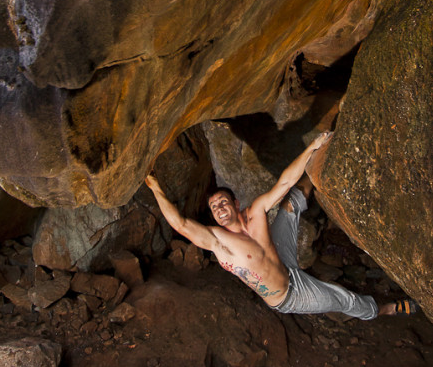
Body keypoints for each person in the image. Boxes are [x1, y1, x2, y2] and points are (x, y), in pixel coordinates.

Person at [145, 132, 417, 319]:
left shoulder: (255, 213)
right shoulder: (218, 240)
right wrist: (156, 188)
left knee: (290, 204)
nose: (219, 209)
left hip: (282, 257)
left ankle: (320, 168)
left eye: (223, 202)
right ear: (214, 218)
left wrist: (312, 148)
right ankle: (385, 310)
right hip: (290, 294)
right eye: (214, 208)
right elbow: (180, 223)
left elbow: (284, 183)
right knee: (344, 299)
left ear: (236, 203)